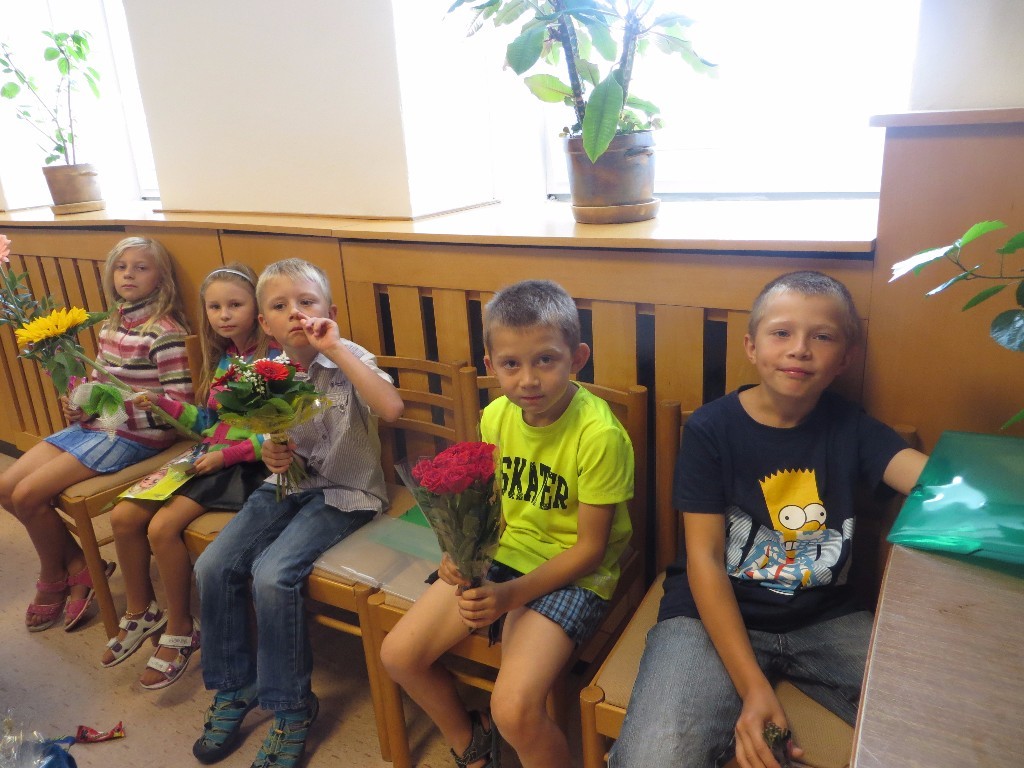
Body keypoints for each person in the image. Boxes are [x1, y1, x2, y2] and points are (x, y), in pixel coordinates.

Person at [609, 271, 930, 768]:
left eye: (822, 336)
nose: (799, 349)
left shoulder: (854, 429)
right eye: (781, 332)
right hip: (708, 616)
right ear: (752, 346)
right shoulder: (711, 429)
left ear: (845, 358)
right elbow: (704, 559)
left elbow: (935, 482)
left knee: (935, 727)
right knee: (655, 757)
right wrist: (754, 689)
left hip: (826, 617)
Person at [381, 279, 635, 768]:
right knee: (399, 655)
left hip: (575, 573)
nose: (528, 380)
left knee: (514, 710)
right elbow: (488, 504)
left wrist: (510, 596)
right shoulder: (496, 415)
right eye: (511, 364)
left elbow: (591, 550)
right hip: (502, 553)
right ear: (490, 365)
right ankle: (470, 741)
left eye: (546, 360)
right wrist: (456, 554)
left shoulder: (599, 434)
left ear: (577, 358)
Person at [190, 258, 403, 768]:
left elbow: (391, 408)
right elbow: (268, 436)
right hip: (289, 484)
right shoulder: (266, 374)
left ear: (330, 312)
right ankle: (235, 687)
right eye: (280, 306)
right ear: (265, 324)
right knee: (214, 564)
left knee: (272, 575)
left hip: (347, 493)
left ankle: (291, 707)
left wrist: (335, 348)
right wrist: (271, 452)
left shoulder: (349, 356)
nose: (295, 313)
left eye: (307, 302)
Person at [0, 236, 193, 633]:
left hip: (137, 437)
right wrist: (80, 403)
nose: (128, 274)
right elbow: (97, 383)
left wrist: (124, 404)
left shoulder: (165, 333)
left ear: (161, 278)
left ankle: (55, 575)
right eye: (121, 267)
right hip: (99, 426)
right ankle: (80, 565)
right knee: (5, 488)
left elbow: (179, 407)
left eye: (141, 267)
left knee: (27, 496)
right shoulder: (111, 325)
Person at [99, 263, 276, 689]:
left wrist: (226, 455)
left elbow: (281, 433)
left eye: (235, 305)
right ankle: (142, 612)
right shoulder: (226, 357)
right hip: (209, 453)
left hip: (246, 466)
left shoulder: (275, 359)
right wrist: (163, 403)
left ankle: (181, 626)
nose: (224, 315)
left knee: (162, 528)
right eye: (214, 307)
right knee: (123, 516)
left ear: (257, 309)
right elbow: (209, 423)